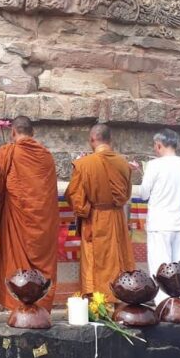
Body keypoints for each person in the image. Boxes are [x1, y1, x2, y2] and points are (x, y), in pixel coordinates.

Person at [0, 116, 59, 312]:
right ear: (33, 134)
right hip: (43, 226)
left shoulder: (7, 153)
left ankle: (18, 310)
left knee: (15, 267)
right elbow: (49, 194)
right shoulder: (47, 156)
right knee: (41, 270)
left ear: (13, 132)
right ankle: (40, 309)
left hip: (17, 224)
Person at [65, 124, 134, 300]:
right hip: (117, 219)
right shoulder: (123, 163)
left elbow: (76, 198)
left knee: (96, 263)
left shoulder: (84, 164)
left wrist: (85, 210)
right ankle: (120, 299)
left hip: (94, 219)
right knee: (118, 258)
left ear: (92, 140)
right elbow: (126, 194)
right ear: (110, 140)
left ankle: (98, 303)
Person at [140, 129, 180, 304]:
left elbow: (143, 194)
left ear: (159, 145)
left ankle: (164, 304)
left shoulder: (155, 165)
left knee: (160, 266)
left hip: (160, 223)